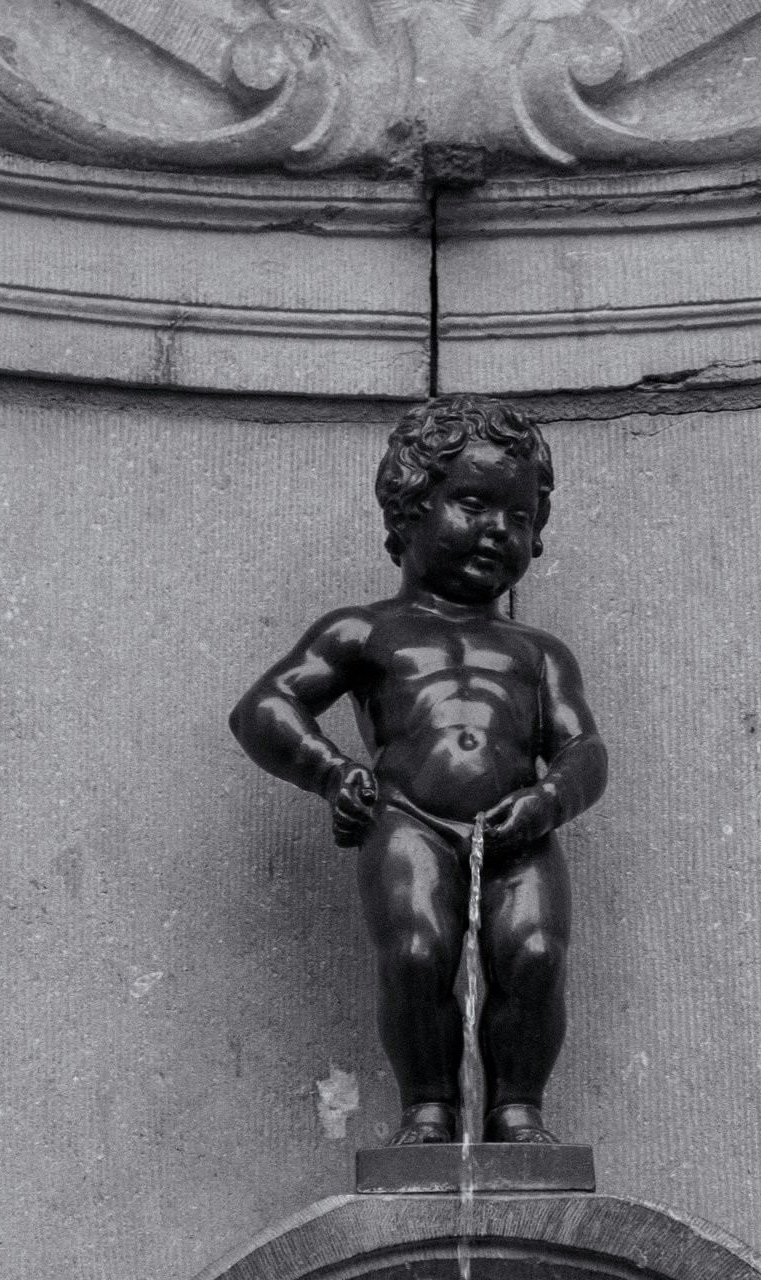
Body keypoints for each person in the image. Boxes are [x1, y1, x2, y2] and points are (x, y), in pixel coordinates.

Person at [230, 394, 607, 1145]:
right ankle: (428, 1109)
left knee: (534, 955)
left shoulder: (537, 652)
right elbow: (264, 708)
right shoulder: (366, 630)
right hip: (409, 820)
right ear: (407, 507)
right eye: (473, 502)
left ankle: (518, 1112)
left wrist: (549, 802)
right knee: (415, 952)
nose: (498, 530)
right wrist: (331, 773)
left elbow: (584, 750)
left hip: (520, 831)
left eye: (520, 516)